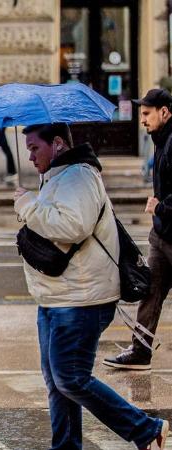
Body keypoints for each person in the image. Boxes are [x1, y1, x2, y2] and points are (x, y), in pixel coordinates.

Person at [15, 122, 168, 450]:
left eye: (34, 148)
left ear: (57, 144)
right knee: (59, 384)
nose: (30, 156)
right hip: (57, 298)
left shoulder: (79, 177)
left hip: (81, 299)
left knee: (71, 378)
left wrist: (28, 205)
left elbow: (72, 226)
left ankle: (146, 430)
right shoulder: (60, 176)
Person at [105, 88, 172, 370]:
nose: (142, 119)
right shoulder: (160, 141)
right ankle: (140, 351)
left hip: (168, 227)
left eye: (146, 114)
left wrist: (159, 208)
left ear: (164, 112)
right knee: (151, 291)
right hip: (162, 235)